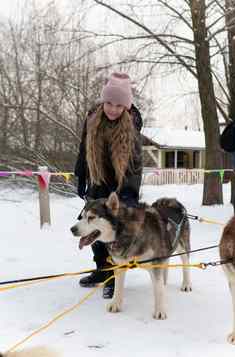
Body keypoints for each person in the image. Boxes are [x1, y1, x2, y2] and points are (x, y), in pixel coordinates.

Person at [74, 72, 143, 298]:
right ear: (103, 102)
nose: (113, 109)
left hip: (121, 183)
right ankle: (102, 270)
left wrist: (129, 195)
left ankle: (114, 274)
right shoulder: (92, 120)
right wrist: (81, 177)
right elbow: (84, 151)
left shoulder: (131, 126)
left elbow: (135, 165)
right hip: (97, 180)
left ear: (126, 107)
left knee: (113, 230)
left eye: (119, 105)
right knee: (93, 225)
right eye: (109, 103)